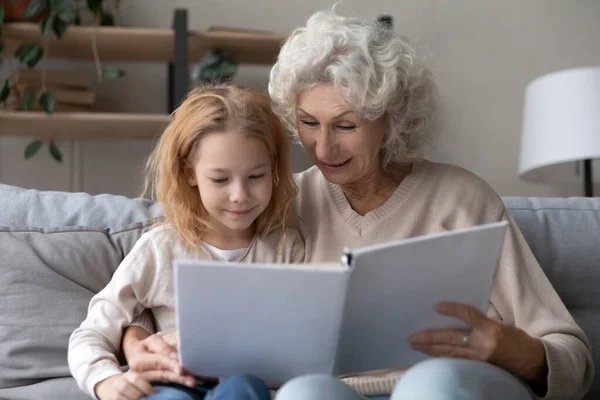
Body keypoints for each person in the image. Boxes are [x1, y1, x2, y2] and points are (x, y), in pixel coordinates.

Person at [119, 9, 594, 400]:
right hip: (333, 392)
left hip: (451, 386)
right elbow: (183, 264)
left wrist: (513, 349)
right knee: (303, 394)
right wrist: (134, 337)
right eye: (308, 123)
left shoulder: (463, 199)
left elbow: (573, 356)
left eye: (345, 126)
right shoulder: (281, 199)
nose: (323, 148)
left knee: (429, 384)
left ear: (391, 120)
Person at [68, 84, 304, 400]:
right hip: (174, 385)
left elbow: (297, 341)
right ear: (189, 172)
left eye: (256, 176)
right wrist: (103, 380)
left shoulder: (287, 248)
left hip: (249, 387)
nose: (239, 195)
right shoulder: (161, 248)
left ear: (274, 170)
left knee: (244, 386)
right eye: (220, 179)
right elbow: (92, 331)